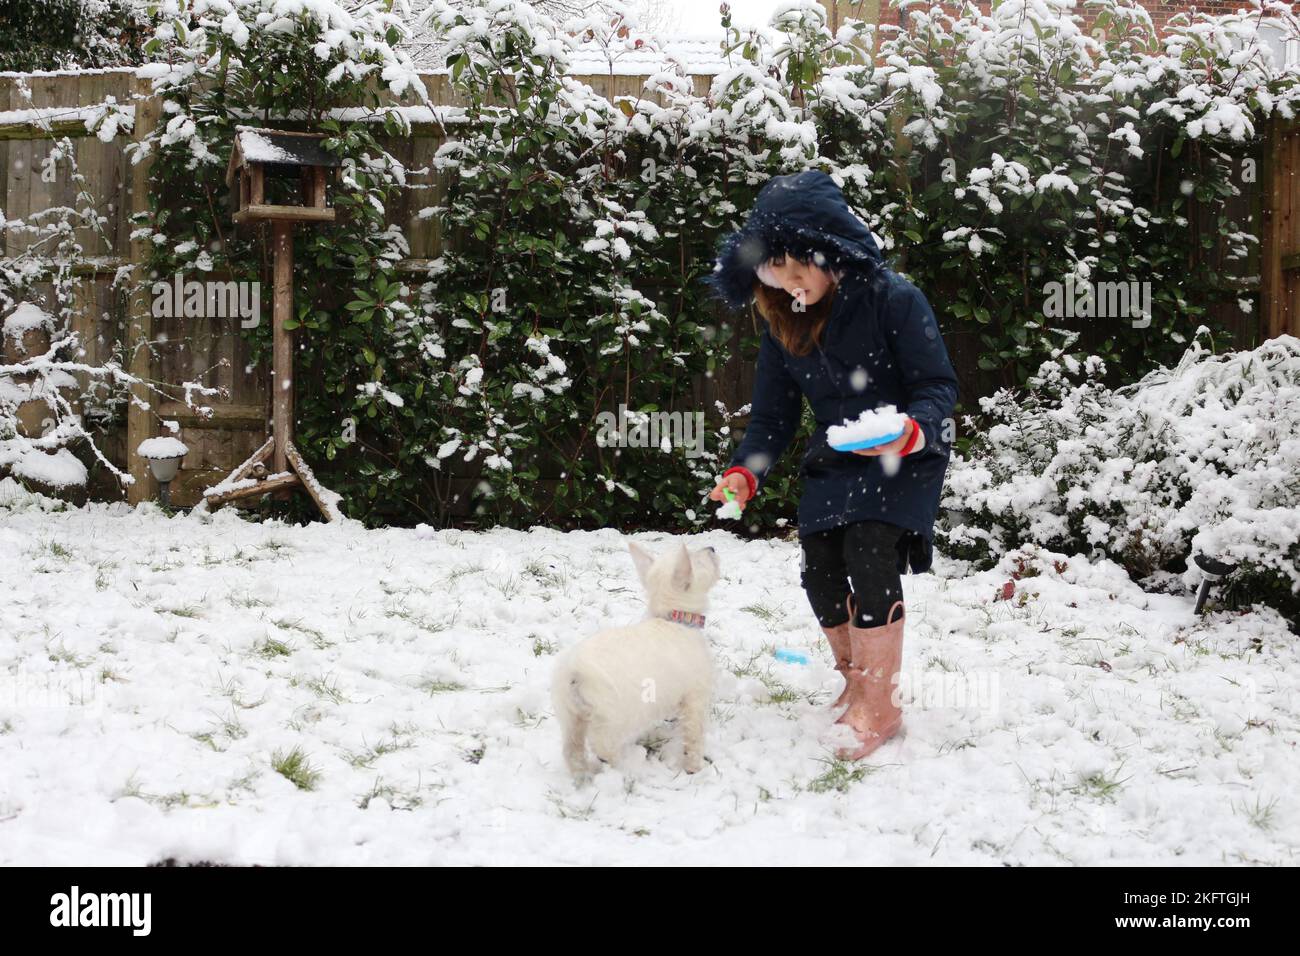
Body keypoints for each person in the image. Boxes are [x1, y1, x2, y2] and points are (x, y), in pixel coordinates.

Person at [704, 169, 959, 759]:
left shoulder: (895, 299)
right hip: (837, 454)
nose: (789, 282)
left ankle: (881, 702)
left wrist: (913, 431)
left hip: (903, 454)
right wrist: (746, 471)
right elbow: (772, 418)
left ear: (833, 253)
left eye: (800, 266)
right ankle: (855, 682)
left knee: (870, 549)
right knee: (819, 565)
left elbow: (937, 385)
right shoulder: (782, 325)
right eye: (774, 269)